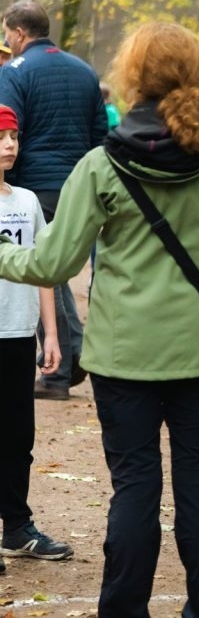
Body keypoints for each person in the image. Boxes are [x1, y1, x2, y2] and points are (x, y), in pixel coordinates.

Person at [0, 21, 199, 615]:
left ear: (131, 77)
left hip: (122, 357)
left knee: (134, 489)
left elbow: (53, 262)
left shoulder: (101, 165)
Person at [0, 0, 107, 401]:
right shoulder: (85, 71)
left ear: (19, 33)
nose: (7, 42)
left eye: (7, 34)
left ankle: (61, 367)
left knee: (46, 272)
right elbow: (100, 134)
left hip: (36, 189)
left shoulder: (15, 71)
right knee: (60, 276)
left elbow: (9, 123)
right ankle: (73, 356)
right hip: (81, 186)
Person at [0, 104, 71, 571]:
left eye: (13, 137)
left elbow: (44, 270)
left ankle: (17, 528)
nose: (9, 144)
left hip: (18, 335)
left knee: (17, 436)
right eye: (0, 137)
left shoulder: (26, 201)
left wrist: (51, 333)